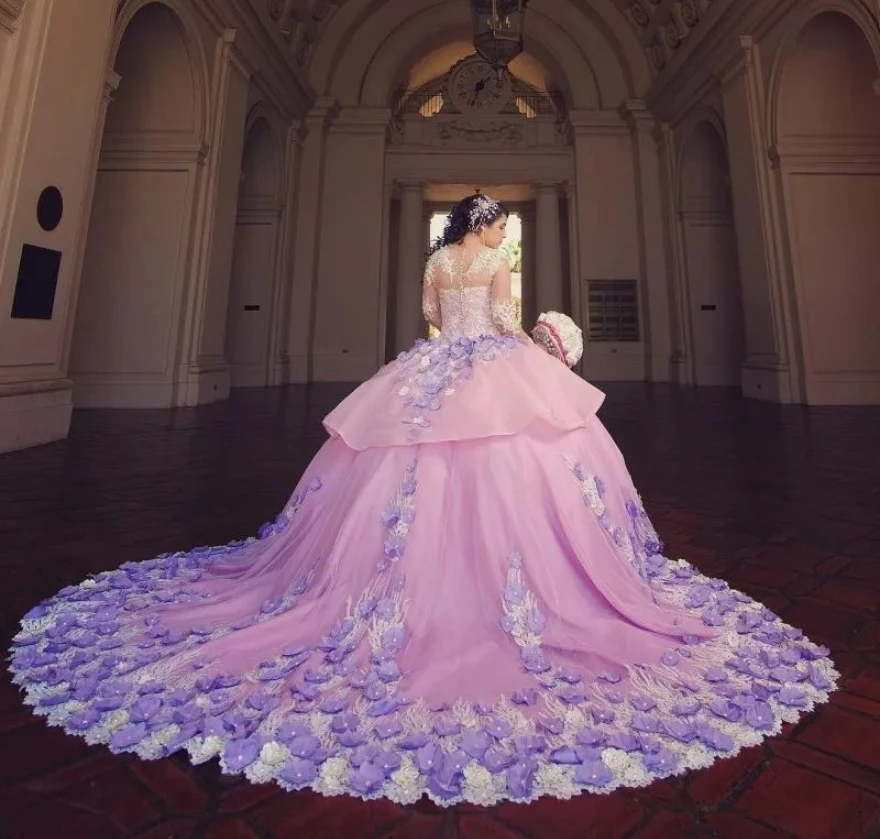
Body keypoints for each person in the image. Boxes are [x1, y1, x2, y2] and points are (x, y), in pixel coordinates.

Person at [9, 194, 837, 806]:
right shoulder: (497, 262)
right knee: (525, 465)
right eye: (496, 224)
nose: (498, 234)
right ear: (484, 226)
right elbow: (502, 326)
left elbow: (433, 323)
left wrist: (469, 352)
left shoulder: (437, 264)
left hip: (431, 372)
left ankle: (379, 584)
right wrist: (550, 351)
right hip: (490, 365)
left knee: (392, 472)